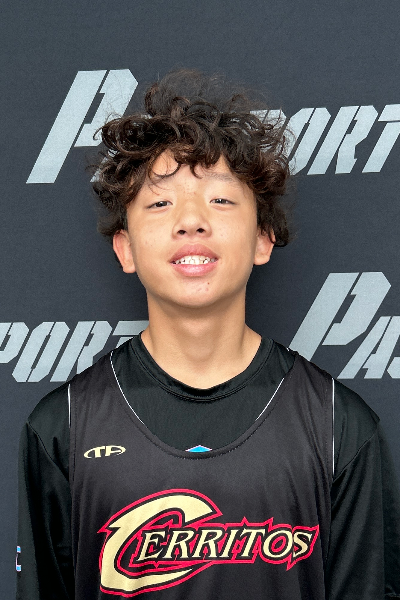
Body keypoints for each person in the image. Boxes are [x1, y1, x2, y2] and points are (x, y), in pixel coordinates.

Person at [17, 68, 400, 600]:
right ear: (125, 249)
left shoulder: (339, 426)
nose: (191, 220)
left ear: (263, 238)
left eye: (220, 200)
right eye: (160, 203)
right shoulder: (63, 426)